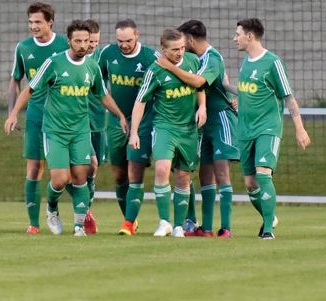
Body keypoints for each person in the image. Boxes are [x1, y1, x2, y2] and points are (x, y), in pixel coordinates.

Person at [6, 20, 128, 236]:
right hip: (55, 131)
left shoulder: (91, 66)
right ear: (69, 42)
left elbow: (102, 94)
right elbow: (29, 89)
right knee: (60, 180)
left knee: (82, 175)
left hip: (81, 131)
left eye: (86, 41)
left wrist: (120, 115)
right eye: (78, 41)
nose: (83, 45)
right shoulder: (54, 63)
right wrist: (14, 113)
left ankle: (79, 226)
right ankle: (52, 208)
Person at [157, 20, 239, 238]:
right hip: (201, 123)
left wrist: (169, 66)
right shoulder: (193, 59)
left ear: (191, 40)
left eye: (184, 43)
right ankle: (207, 228)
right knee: (204, 175)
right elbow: (224, 81)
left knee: (222, 173)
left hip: (220, 120)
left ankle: (227, 228)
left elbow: (198, 82)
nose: (181, 48)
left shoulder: (212, 58)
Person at [234, 18, 311, 239]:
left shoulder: (273, 62)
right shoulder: (245, 63)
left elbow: (289, 98)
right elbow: (247, 92)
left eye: (237, 34)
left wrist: (300, 129)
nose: (234, 38)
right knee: (250, 184)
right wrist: (225, 86)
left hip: (267, 128)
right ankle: (271, 216)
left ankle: (267, 229)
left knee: (263, 174)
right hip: (245, 130)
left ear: (250, 36)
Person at [129, 28, 206, 237]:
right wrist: (134, 132)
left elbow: (200, 86)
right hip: (165, 128)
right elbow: (140, 102)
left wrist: (202, 107)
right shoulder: (154, 71)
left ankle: (179, 226)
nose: (179, 52)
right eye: (174, 50)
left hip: (189, 130)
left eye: (181, 48)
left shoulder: (192, 61)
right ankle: (164, 221)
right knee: (162, 169)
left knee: (183, 177)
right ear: (163, 49)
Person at [4, 2, 69, 234]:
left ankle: (80, 214)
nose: (33, 26)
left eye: (38, 22)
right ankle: (33, 224)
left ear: (50, 21)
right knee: (34, 168)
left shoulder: (64, 44)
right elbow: (15, 80)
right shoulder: (23, 48)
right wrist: (12, 112)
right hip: (35, 115)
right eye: (30, 22)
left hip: (63, 118)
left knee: (70, 171)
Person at [97, 19, 159, 235]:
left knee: (135, 170)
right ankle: (130, 219)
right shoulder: (107, 54)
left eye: (128, 40)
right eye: (119, 41)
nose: (124, 45)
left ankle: (128, 224)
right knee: (119, 175)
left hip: (143, 122)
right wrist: (117, 113)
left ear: (138, 35)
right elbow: (97, 83)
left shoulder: (151, 57)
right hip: (115, 121)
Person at [82, 18, 104, 234]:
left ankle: (85, 209)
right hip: (78, 123)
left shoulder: (101, 58)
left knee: (92, 169)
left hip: (99, 123)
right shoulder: (69, 59)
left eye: (96, 42)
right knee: (91, 164)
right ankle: (84, 212)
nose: (93, 46)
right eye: (90, 42)